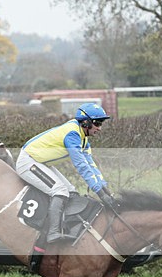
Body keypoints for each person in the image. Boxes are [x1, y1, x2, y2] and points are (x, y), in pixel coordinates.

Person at [16, 103, 115, 243]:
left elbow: (91, 166)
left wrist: (106, 191)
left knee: (71, 192)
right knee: (60, 191)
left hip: (40, 162)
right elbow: (81, 166)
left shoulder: (83, 138)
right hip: (28, 161)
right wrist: (99, 192)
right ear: (86, 122)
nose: (99, 128)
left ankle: (65, 227)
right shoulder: (73, 135)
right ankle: (53, 232)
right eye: (97, 123)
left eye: (101, 124)